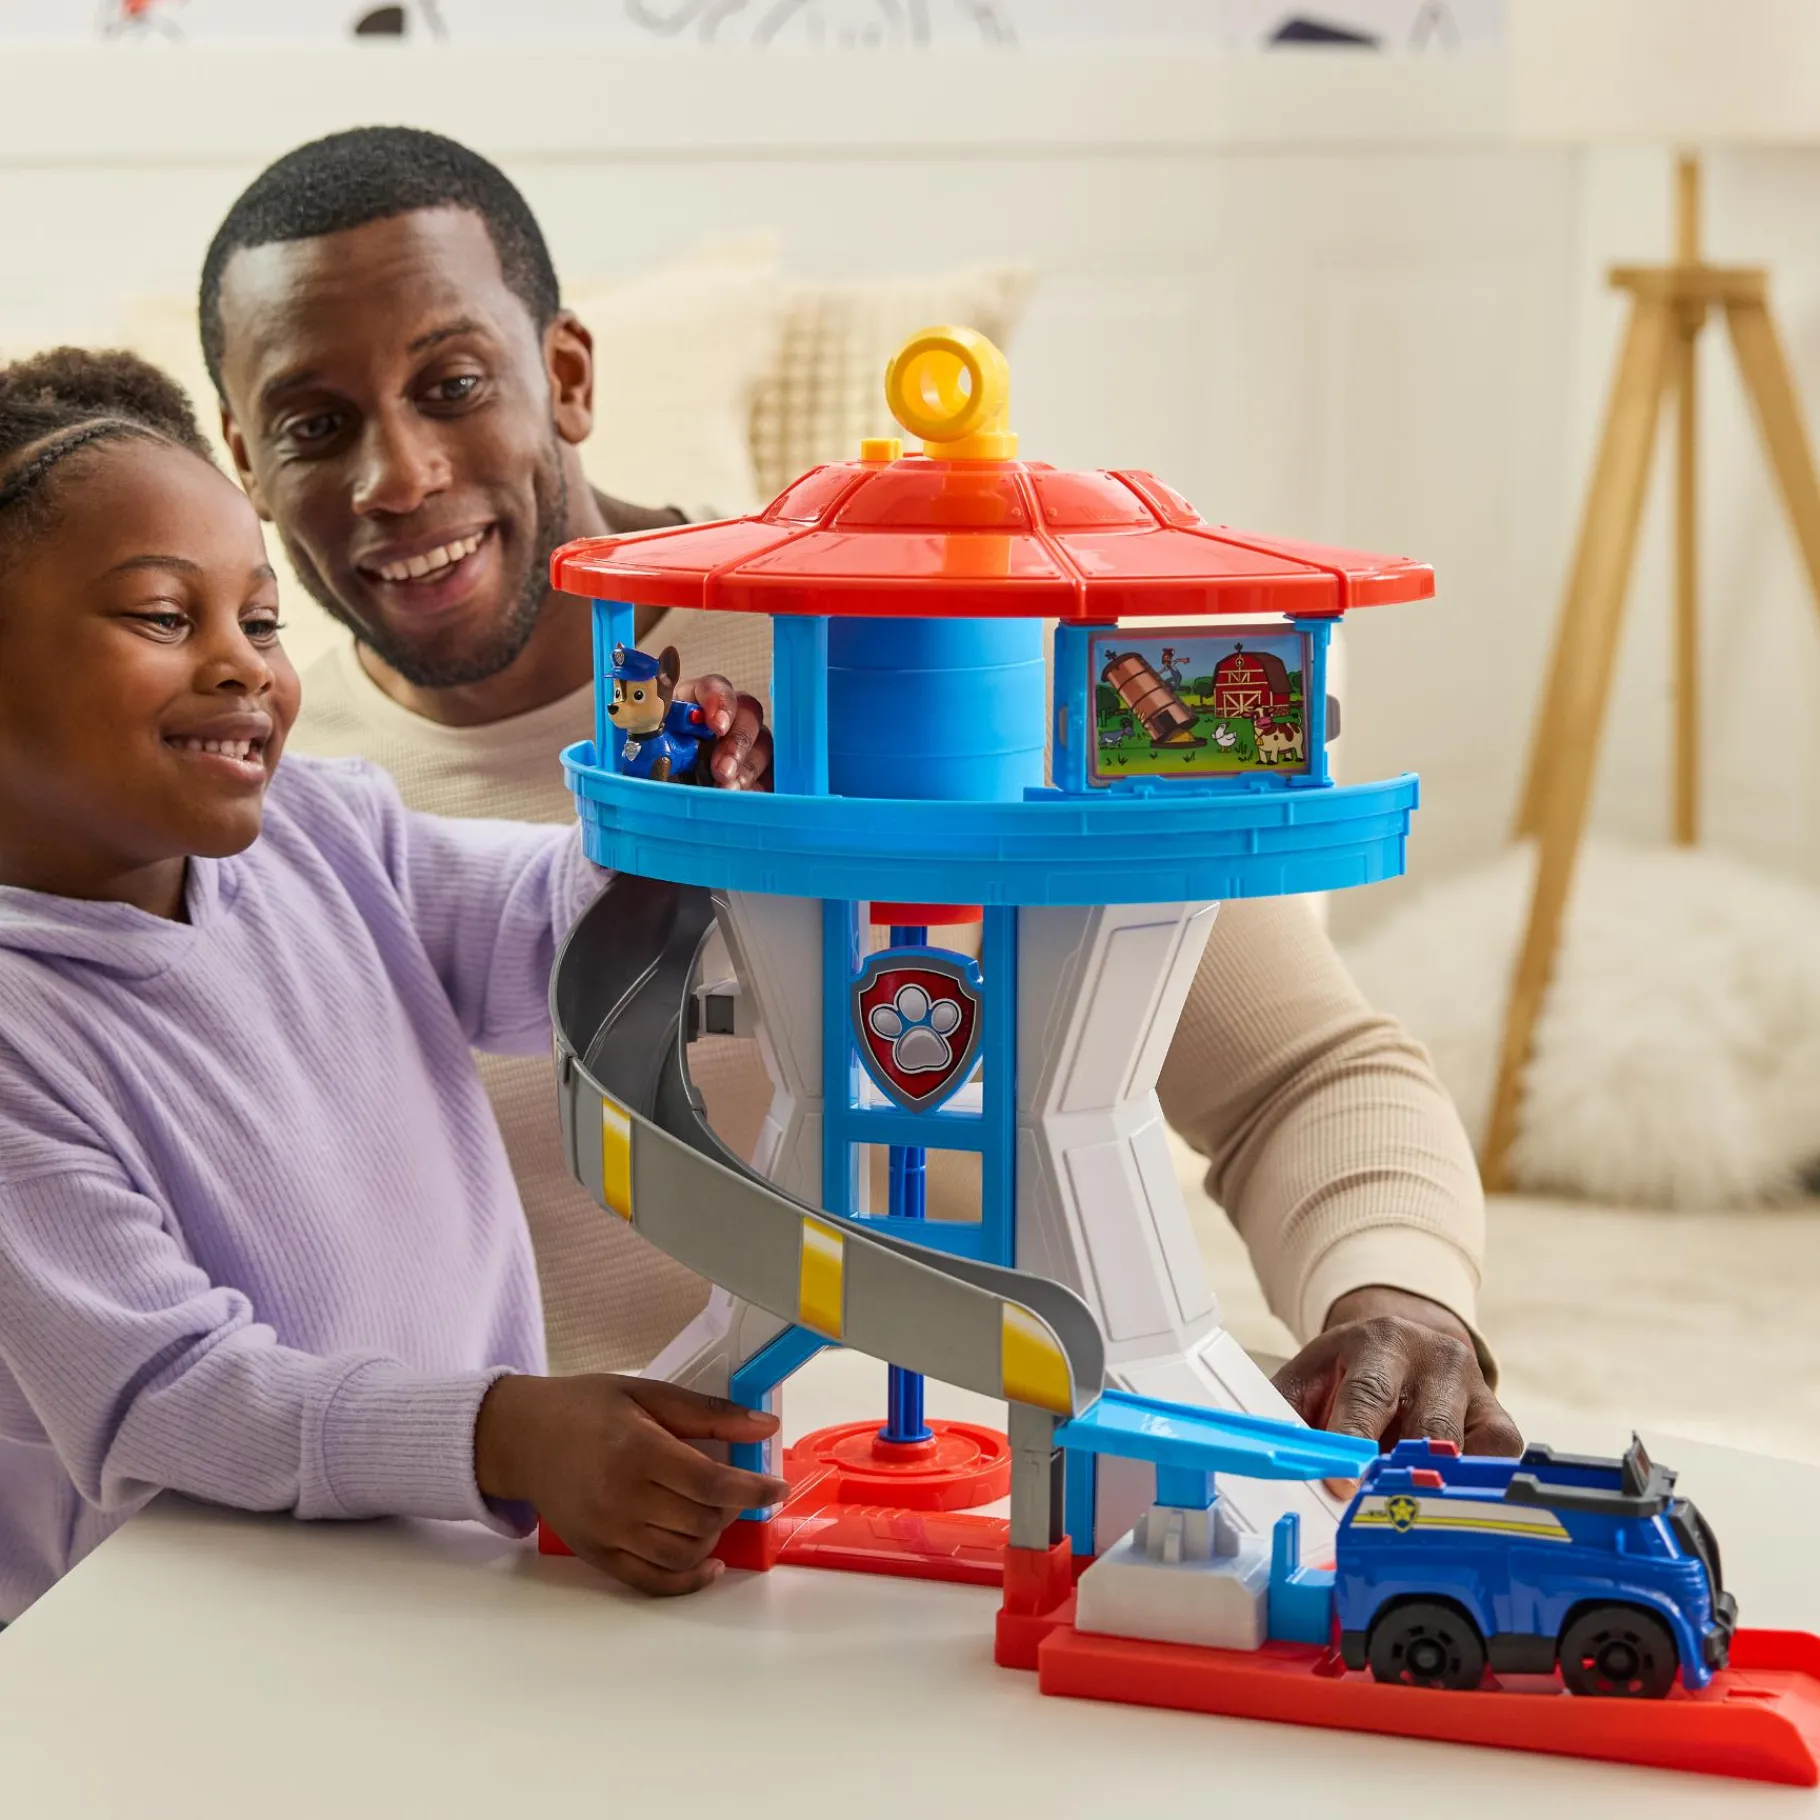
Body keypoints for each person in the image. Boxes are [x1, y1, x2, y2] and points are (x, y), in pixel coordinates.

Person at [204, 127, 1521, 1457]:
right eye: (316, 424)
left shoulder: (917, 652)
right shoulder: (245, 804)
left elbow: (1299, 1070)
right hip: (506, 1517)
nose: (399, 476)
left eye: (453, 385)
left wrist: (1399, 1299)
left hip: (973, 1478)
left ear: (567, 375)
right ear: (243, 459)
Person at [0, 349, 790, 1621]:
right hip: (162, 1647)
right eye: (162, 615)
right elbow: (166, 1392)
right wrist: (503, 1434)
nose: (243, 665)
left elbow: (551, 936)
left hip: (431, 1576)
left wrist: (672, 824)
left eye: (261, 621)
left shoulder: (321, 829)